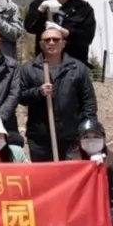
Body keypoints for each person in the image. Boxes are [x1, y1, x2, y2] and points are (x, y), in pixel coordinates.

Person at [19, 25, 98, 162]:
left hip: (71, 134)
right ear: (41, 44)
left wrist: (88, 128)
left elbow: (88, 102)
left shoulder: (77, 68)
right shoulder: (29, 69)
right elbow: (20, 97)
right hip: (40, 137)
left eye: (55, 39)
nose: (51, 42)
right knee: (46, 173)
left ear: (63, 43)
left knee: (71, 172)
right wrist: (38, 92)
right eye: (47, 40)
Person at [23, 0, 96, 65]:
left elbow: (87, 37)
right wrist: (40, 10)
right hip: (45, 62)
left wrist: (64, 32)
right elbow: (29, 27)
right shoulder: (38, 5)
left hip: (75, 63)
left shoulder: (83, 8)